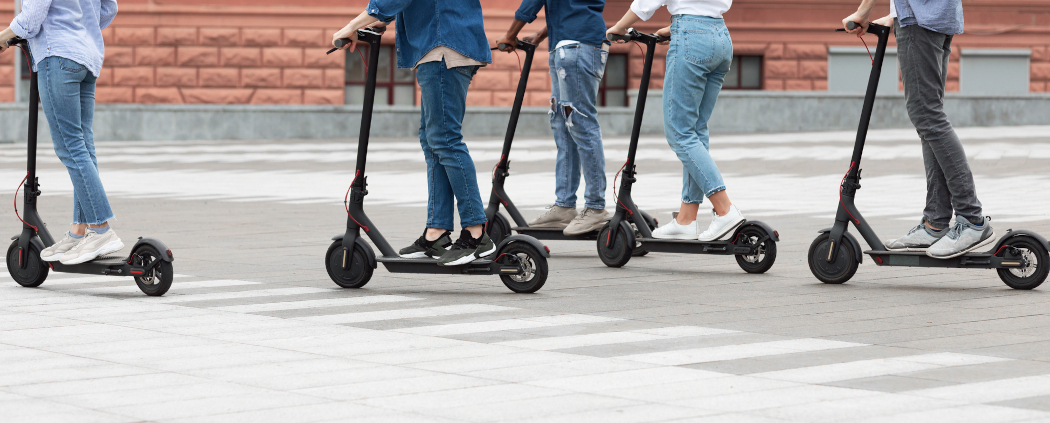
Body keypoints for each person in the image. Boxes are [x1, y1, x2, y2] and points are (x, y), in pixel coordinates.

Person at [333, 0, 496, 266]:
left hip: (443, 48)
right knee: (433, 141)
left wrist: (352, 25)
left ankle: (476, 234)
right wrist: (382, 20)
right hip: (441, 46)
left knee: (445, 140)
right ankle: (437, 232)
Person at [844, 0, 993, 258]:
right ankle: (935, 222)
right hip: (935, 17)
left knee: (928, 116)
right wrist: (894, 14)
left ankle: (971, 219)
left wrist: (862, 12)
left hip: (920, 22)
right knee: (929, 120)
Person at [608, 0, 745, 242]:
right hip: (720, 36)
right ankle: (686, 217)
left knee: (680, 133)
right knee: (696, 130)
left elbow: (646, 2)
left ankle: (725, 210)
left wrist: (618, 27)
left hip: (692, 39)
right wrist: (675, 27)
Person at [0, 0, 124, 265]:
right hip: (86, 57)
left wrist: (3, 36)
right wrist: (80, 30)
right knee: (83, 146)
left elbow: (32, 18)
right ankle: (80, 232)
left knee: (70, 147)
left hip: (58, 56)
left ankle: (101, 230)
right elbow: (109, 8)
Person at [495, 0, 611, 236]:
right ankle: (565, 206)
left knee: (581, 122)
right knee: (562, 124)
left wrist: (510, 34)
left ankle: (596, 207)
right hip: (566, 45)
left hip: (577, 46)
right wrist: (540, 34)